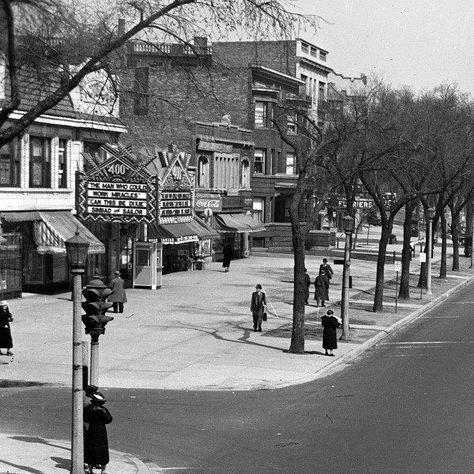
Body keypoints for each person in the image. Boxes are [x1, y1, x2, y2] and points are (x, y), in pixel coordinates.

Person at [84, 391, 113, 474]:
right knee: (102, 450)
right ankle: (103, 471)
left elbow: (85, 419)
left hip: (91, 430)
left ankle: (90, 470)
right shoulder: (103, 410)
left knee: (91, 450)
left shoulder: (88, 409)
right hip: (101, 431)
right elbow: (109, 419)